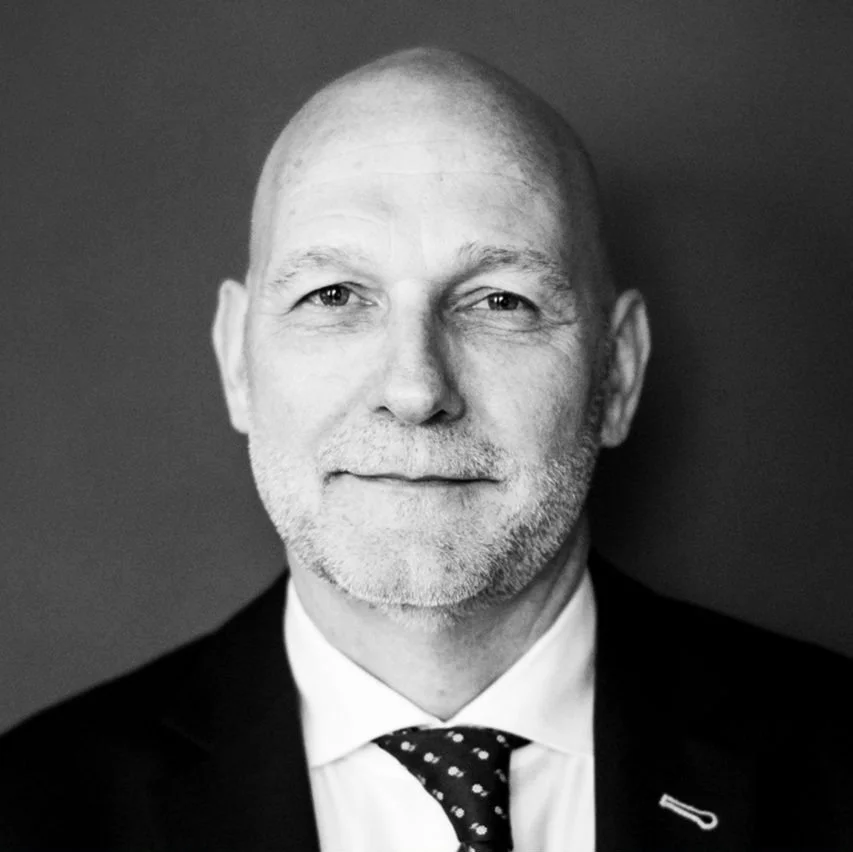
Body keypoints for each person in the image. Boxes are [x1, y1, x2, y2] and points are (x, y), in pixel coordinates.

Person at [1, 46, 851, 852]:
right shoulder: (32, 813)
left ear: (618, 370)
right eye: (335, 295)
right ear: (236, 361)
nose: (414, 390)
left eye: (500, 301)